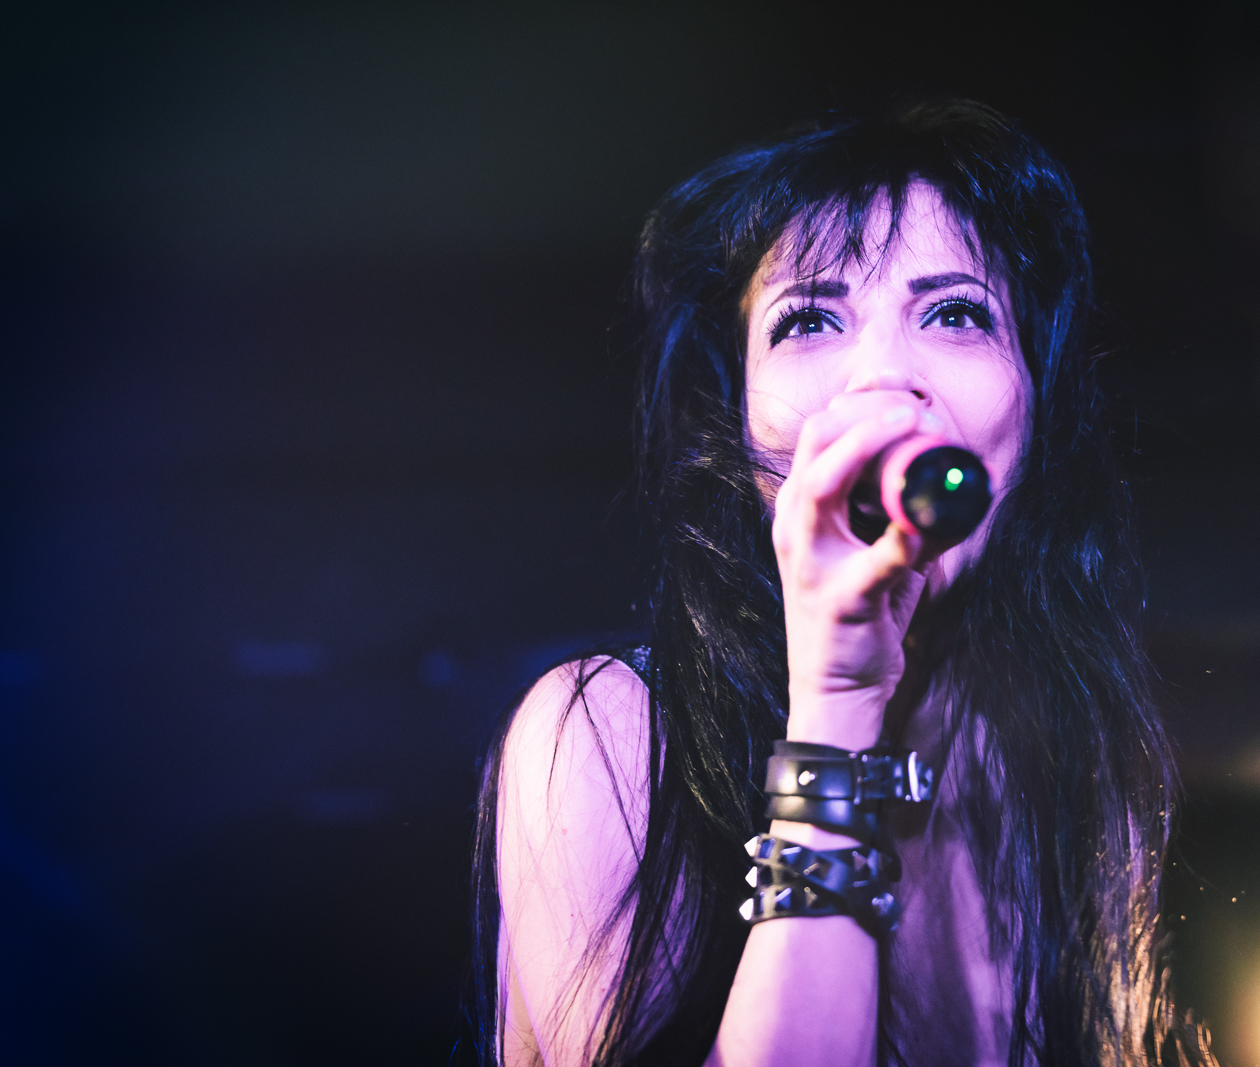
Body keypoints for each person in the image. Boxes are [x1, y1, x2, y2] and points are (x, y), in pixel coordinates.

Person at [470, 99, 1217, 1067]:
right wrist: (837, 702)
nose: (881, 379)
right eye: (809, 319)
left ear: (1036, 409)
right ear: (738, 422)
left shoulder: (1072, 785)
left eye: (956, 313)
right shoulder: (605, 736)